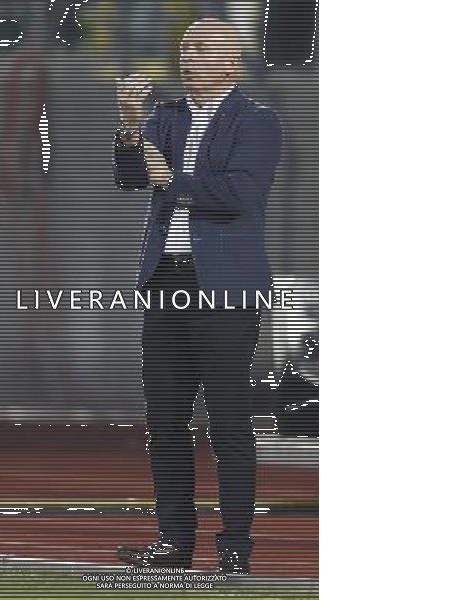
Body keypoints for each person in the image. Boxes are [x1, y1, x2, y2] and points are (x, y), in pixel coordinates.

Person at [112, 18, 282, 575]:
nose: (188, 55)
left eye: (202, 47)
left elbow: (236, 194)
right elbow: (130, 178)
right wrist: (131, 125)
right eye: (184, 45)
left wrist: (166, 174)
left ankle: (234, 548)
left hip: (227, 289)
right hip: (167, 282)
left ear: (231, 61)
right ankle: (174, 542)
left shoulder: (257, 120)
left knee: (228, 421)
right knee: (164, 422)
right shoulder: (167, 116)